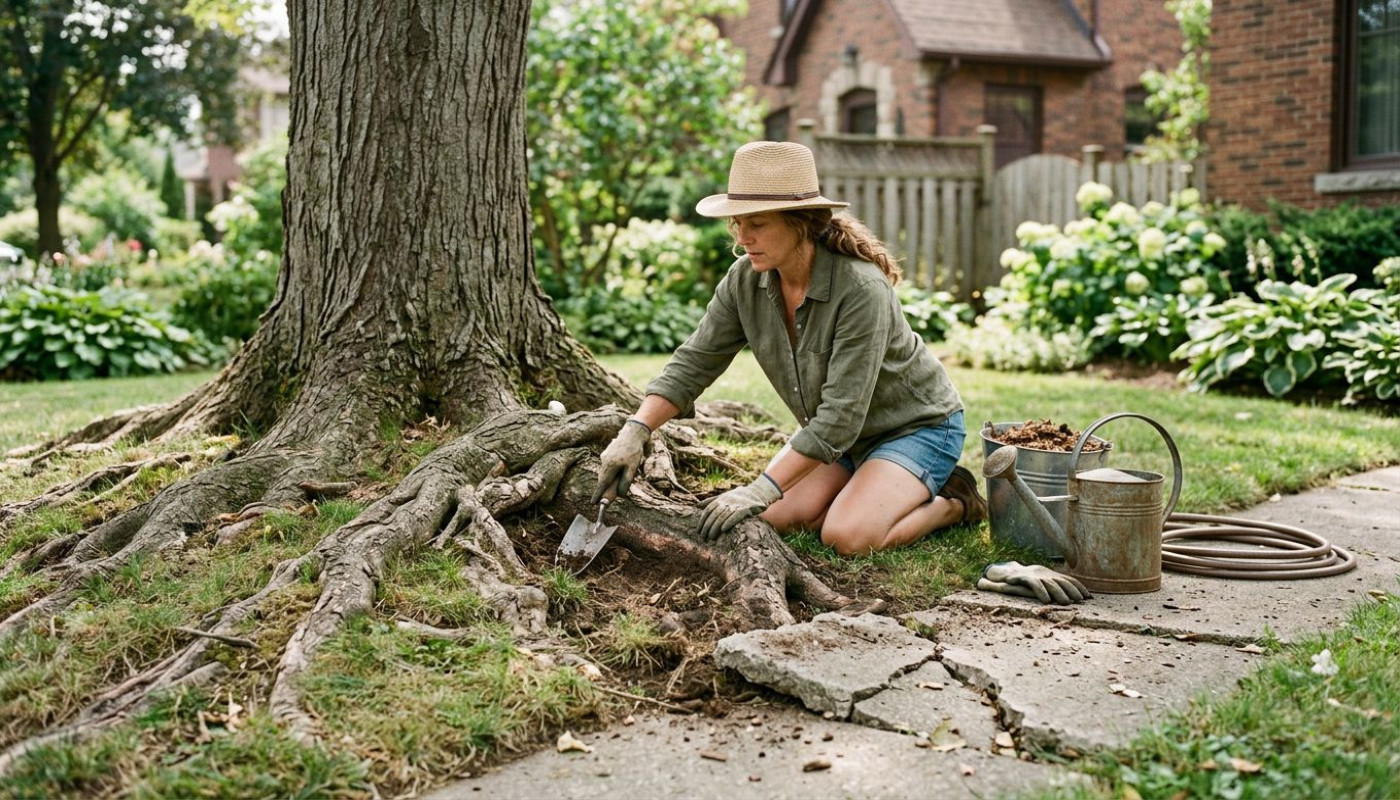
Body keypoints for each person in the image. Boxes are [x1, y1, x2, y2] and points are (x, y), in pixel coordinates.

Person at [593, 141, 986, 556]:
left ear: (802, 222)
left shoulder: (861, 289)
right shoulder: (745, 281)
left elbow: (841, 415)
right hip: (838, 438)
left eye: (757, 224)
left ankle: (954, 504)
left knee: (847, 536)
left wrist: (761, 487)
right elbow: (694, 362)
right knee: (770, 517)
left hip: (915, 427)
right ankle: (868, 487)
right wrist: (635, 431)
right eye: (738, 223)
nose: (743, 238)